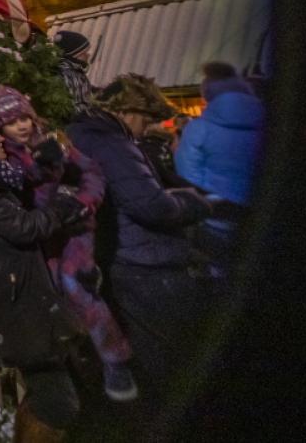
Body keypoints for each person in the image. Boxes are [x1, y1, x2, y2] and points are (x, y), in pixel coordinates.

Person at [0, 106, 90, 442]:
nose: (0, 142)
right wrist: (65, 204)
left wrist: (50, 161)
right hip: (12, 305)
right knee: (59, 402)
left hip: (27, 294)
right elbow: (23, 227)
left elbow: (27, 182)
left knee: (49, 393)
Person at [0, 85, 137, 403]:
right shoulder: (4, 157)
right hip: (39, 236)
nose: (22, 126)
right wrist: (37, 167)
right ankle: (77, 361)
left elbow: (92, 172)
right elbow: (16, 185)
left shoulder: (55, 142)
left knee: (74, 283)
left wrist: (85, 201)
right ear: (0, 128)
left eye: (24, 117)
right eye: (12, 123)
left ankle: (115, 359)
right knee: (52, 293)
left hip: (73, 229)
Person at [67, 74, 213, 392]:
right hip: (140, 260)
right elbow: (149, 205)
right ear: (129, 110)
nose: (146, 129)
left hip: (113, 256)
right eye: (146, 120)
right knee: (171, 361)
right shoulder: (112, 143)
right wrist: (194, 203)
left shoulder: (86, 134)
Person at [175, 62, 264, 267]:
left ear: (208, 92)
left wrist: (211, 199)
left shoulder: (199, 128)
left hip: (215, 217)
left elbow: (187, 174)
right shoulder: (265, 124)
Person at [52, 30, 96, 119]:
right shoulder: (67, 74)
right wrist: (93, 113)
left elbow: (82, 91)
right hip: (76, 125)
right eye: (84, 53)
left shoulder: (76, 72)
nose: (88, 55)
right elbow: (73, 105)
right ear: (75, 55)